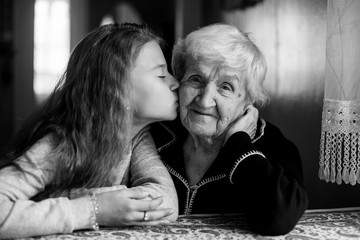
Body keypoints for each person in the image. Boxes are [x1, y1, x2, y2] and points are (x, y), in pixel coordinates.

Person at [0, 23, 179, 239]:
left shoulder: (138, 136)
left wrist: (105, 204)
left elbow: (166, 202)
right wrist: (95, 209)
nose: (176, 83)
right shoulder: (63, 143)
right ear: (119, 90)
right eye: (161, 75)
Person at [151, 23, 308, 236]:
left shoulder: (273, 146)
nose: (205, 101)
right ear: (179, 81)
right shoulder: (157, 133)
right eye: (196, 79)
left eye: (226, 87)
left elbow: (278, 220)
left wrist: (238, 144)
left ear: (248, 101)